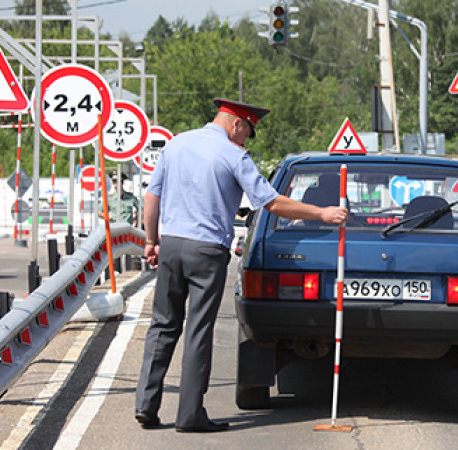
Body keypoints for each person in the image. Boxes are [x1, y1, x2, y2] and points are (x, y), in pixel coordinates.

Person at [135, 98, 348, 433]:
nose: (246, 140)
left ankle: (146, 405)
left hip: (171, 245)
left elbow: (152, 198)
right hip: (206, 252)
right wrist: (322, 213)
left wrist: (151, 241)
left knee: (162, 325)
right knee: (197, 330)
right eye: (247, 132)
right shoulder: (234, 155)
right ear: (237, 124)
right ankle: (190, 415)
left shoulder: (176, 145)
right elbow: (273, 202)